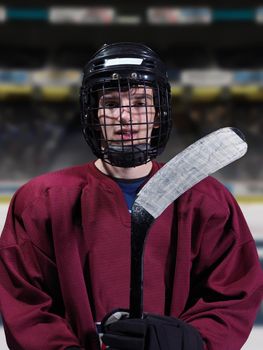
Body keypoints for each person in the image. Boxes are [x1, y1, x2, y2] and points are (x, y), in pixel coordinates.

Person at [0, 42, 262, 350]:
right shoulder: (40, 201)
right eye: (111, 104)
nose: (126, 117)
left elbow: (232, 293)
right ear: (94, 114)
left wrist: (185, 342)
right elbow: (26, 302)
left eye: (139, 103)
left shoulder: (207, 199)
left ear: (157, 113)